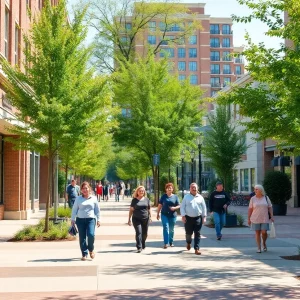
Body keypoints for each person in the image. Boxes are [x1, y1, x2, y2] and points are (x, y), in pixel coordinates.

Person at [71, 181, 100, 261]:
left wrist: (98, 219)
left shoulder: (93, 198)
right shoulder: (78, 199)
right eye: (83, 188)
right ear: (81, 190)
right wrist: (73, 219)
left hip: (91, 219)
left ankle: (91, 249)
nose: (85, 190)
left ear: (89, 189)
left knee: (91, 235)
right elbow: (74, 210)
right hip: (80, 220)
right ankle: (84, 253)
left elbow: (97, 210)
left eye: (86, 188)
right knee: (82, 237)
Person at [180, 182, 207, 255]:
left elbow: (204, 208)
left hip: (198, 218)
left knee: (197, 233)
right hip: (188, 218)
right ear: (190, 189)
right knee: (188, 233)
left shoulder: (200, 197)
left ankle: (196, 249)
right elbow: (182, 207)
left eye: (195, 187)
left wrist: (204, 217)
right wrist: (183, 216)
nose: (193, 188)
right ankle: (188, 242)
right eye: (192, 187)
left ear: (197, 188)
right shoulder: (186, 197)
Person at [248, 184, 274, 253]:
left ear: (261, 190)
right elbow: (250, 209)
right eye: (254, 189)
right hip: (255, 218)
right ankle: (259, 248)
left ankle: (264, 243)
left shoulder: (266, 197)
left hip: (264, 218)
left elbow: (270, 207)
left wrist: (272, 216)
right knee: (257, 233)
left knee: (264, 232)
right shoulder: (252, 199)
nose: (255, 190)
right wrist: (248, 219)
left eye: (256, 189)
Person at [128, 185, 152, 253]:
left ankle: (143, 242)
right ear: (137, 192)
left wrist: (151, 217)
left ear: (144, 192)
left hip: (145, 218)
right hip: (136, 219)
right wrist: (129, 219)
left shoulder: (147, 199)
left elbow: (149, 209)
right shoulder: (134, 200)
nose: (141, 192)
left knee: (145, 233)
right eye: (140, 191)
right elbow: (131, 210)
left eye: (142, 191)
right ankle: (139, 246)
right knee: (139, 232)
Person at [156, 183, 180, 249]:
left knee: (171, 229)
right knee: (165, 227)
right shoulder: (163, 196)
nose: (170, 189)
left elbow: (179, 205)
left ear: (172, 189)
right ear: (166, 189)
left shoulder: (175, 197)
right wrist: (158, 213)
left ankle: (171, 242)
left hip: (172, 215)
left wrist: (174, 208)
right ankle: (166, 243)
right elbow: (160, 205)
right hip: (164, 214)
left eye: (171, 188)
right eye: (168, 187)